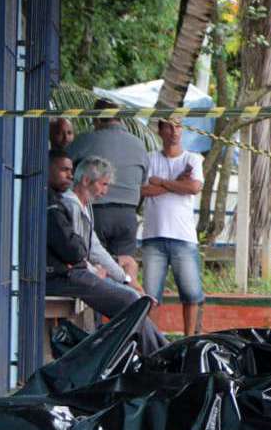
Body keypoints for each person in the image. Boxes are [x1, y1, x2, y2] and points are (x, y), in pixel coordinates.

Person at [46, 151, 166, 355]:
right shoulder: (68, 205)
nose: (105, 190)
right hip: (67, 275)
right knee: (130, 301)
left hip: (81, 272)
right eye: (103, 184)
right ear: (86, 180)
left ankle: (161, 349)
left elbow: (94, 248)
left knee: (133, 299)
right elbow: (77, 252)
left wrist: (125, 279)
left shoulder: (84, 207)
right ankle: (159, 353)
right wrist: (94, 271)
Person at [66, 99, 146, 285]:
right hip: (127, 215)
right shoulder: (139, 145)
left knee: (97, 267)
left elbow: (63, 164)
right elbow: (142, 182)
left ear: (97, 119)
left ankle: (98, 311)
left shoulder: (86, 140)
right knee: (126, 264)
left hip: (97, 211)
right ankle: (131, 302)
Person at [140, 116, 206, 336]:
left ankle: (190, 340)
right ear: (160, 130)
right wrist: (178, 183)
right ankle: (152, 341)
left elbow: (194, 187)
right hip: (153, 236)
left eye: (178, 126)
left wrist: (163, 182)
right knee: (150, 296)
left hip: (184, 236)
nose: (174, 131)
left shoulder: (193, 159)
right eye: (169, 126)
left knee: (191, 294)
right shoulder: (149, 158)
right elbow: (143, 190)